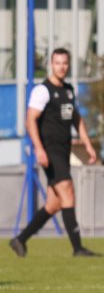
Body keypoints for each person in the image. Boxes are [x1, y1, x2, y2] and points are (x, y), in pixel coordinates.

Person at [10, 48, 99, 257]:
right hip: (50, 151)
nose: (62, 67)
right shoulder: (42, 91)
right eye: (58, 63)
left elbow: (76, 118)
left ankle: (20, 239)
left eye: (65, 63)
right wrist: (39, 149)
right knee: (68, 190)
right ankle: (78, 248)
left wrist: (87, 144)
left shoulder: (68, 90)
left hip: (64, 149)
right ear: (52, 64)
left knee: (54, 203)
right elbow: (30, 119)